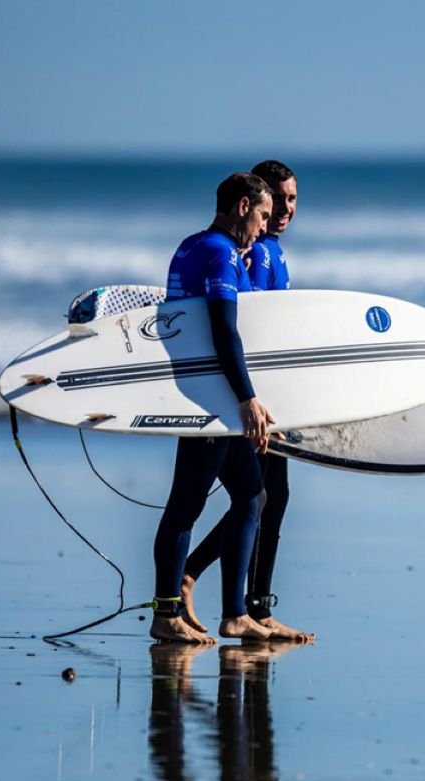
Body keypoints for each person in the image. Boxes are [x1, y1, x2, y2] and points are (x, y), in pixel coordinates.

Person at [179, 160, 314, 643]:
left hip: (262, 397)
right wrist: (250, 398)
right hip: (247, 399)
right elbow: (236, 330)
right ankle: (224, 595)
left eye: (294, 199)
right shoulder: (250, 254)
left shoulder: (269, 250)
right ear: (254, 203)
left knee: (264, 497)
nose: (285, 210)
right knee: (258, 496)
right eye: (277, 200)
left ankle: (251, 605)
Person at [149, 172, 276, 644]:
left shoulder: (193, 246)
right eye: (262, 215)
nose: (264, 228)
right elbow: (225, 330)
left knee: (251, 496)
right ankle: (165, 614)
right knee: (185, 506)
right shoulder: (220, 253)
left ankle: (235, 614)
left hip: (207, 389)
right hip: (212, 398)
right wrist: (247, 399)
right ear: (242, 206)